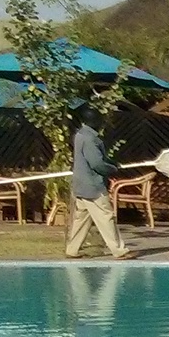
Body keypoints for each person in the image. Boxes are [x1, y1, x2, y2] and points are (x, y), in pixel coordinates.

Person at [64, 110, 134, 260]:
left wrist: (111, 162)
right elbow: (96, 163)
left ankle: (72, 249)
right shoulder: (90, 139)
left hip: (81, 184)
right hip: (92, 185)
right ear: (95, 122)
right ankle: (119, 250)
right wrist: (112, 169)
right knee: (106, 216)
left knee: (82, 218)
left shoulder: (80, 135)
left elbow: (96, 158)